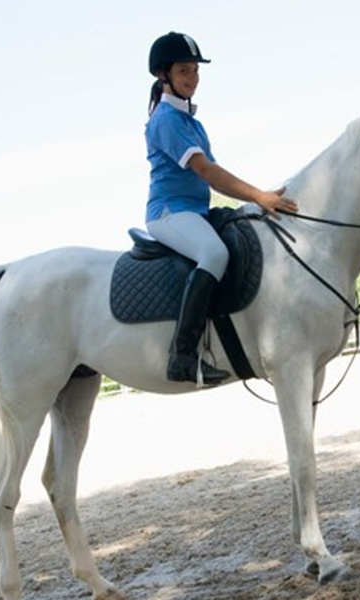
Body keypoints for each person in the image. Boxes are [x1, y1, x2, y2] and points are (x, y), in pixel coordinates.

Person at [145, 31, 298, 384]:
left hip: (195, 211)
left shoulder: (191, 122)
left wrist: (255, 202)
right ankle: (182, 356)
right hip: (169, 213)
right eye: (185, 71)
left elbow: (211, 178)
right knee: (213, 253)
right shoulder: (166, 120)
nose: (193, 79)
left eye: (196, 72)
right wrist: (259, 195)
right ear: (163, 75)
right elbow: (207, 171)